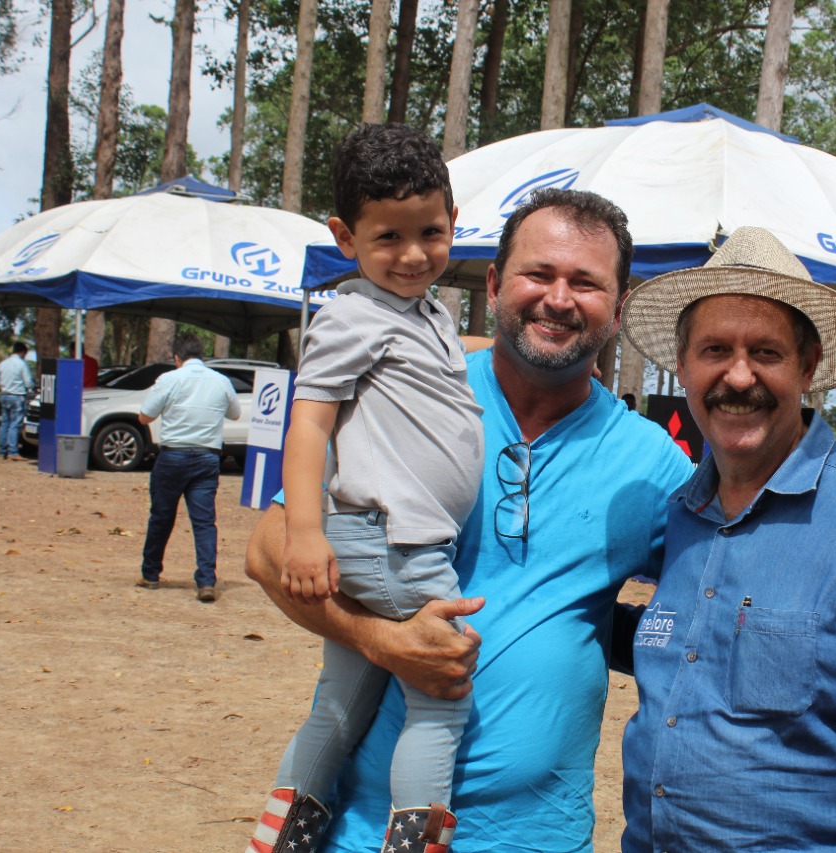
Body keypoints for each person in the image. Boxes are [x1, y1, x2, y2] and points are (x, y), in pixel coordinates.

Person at [242, 187, 695, 853]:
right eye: (538, 273)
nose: (559, 298)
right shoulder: (407, 392)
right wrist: (378, 639)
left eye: (585, 282)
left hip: (538, 836)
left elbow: (721, 591)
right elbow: (267, 550)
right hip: (362, 829)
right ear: (493, 283)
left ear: (619, 307)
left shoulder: (651, 464)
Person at [618, 226, 836, 852]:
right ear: (682, 365)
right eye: (714, 350)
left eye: (766, 352)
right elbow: (690, 647)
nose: (738, 376)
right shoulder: (680, 515)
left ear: (808, 367)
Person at [246, 123, 483, 853]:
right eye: (388, 238)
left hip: (386, 542)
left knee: (344, 699)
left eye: (431, 232)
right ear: (345, 237)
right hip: (396, 544)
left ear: (453, 221)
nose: (413, 255)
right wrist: (305, 532)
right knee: (441, 694)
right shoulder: (351, 315)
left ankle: (286, 831)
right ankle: (414, 841)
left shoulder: (426, 313)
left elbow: (437, 364)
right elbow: (309, 426)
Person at [137, 333, 240, 602]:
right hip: (207, 457)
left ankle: (150, 574)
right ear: (201, 355)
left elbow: (145, 416)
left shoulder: (169, 379)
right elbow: (235, 413)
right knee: (204, 522)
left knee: (161, 516)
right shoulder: (221, 381)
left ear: (176, 358)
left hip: (173, 456)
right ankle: (206, 581)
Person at [0, 341, 34, 461]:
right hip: (17, 396)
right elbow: (28, 382)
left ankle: (2, 451)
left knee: (4, 424)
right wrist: (32, 387)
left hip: (4, 395)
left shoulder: (2, 364)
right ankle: (13, 452)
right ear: (23, 352)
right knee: (15, 424)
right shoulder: (22, 364)